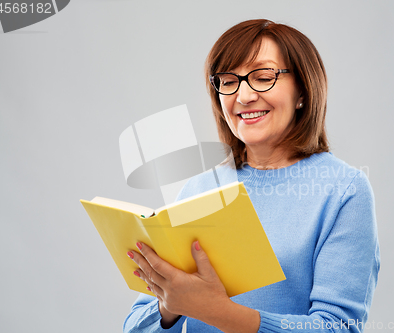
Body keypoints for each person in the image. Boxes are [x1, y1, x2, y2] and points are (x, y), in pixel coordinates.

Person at [123, 19, 380, 333]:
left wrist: (216, 311)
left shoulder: (343, 191)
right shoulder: (200, 187)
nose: (243, 97)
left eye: (262, 77)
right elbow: (135, 327)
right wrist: (169, 306)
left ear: (303, 90)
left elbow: (337, 328)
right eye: (228, 81)